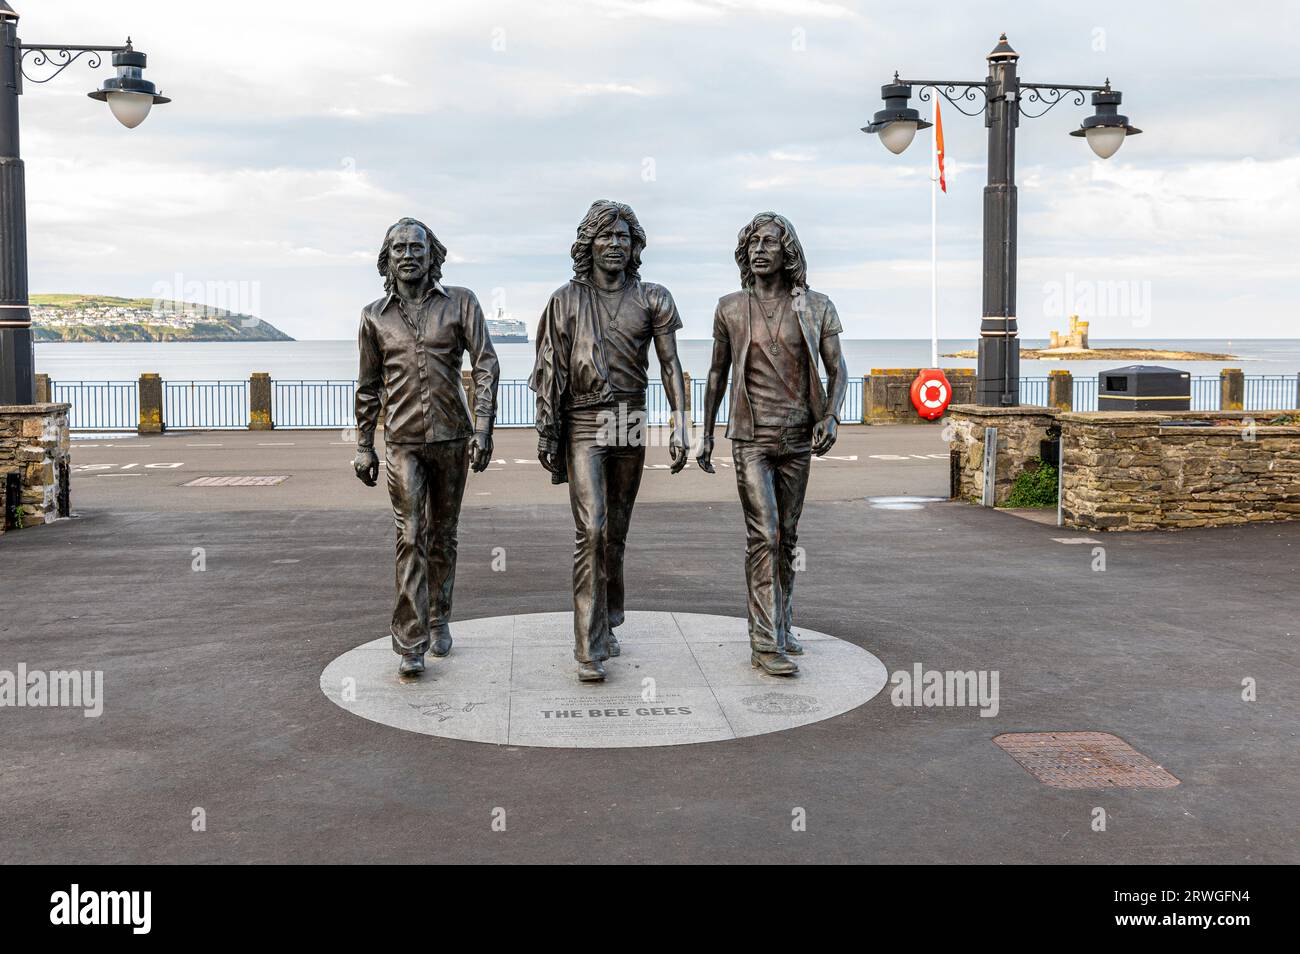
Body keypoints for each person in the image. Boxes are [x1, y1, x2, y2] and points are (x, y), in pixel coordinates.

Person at [530, 200, 689, 682]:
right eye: (606, 236)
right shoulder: (565, 299)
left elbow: (668, 364)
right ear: (589, 244)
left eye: (624, 237)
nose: (615, 244)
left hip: (631, 419)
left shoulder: (653, 297)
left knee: (615, 533)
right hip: (583, 419)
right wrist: (549, 430)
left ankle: (609, 617)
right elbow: (549, 368)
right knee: (592, 530)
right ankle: (588, 645)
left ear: (635, 245)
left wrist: (682, 422)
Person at [696, 212, 847, 676]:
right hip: (751, 439)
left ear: (788, 253)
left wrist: (831, 414)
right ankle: (764, 642)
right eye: (753, 242)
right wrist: (705, 432)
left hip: (798, 436)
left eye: (770, 242)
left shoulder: (816, 306)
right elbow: (718, 373)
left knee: (788, 537)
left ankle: (781, 625)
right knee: (765, 534)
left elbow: (837, 369)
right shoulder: (730, 308)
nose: (760, 249)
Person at [353, 218, 499, 676]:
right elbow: (368, 385)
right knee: (411, 534)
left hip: (453, 437)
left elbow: (486, 363)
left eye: (417, 247)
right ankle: (409, 640)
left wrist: (483, 427)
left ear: (432, 255)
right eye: (399, 248)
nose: (408, 255)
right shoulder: (374, 315)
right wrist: (363, 444)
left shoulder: (461, 302)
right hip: (402, 442)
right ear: (387, 258)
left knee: (444, 534)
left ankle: (439, 617)